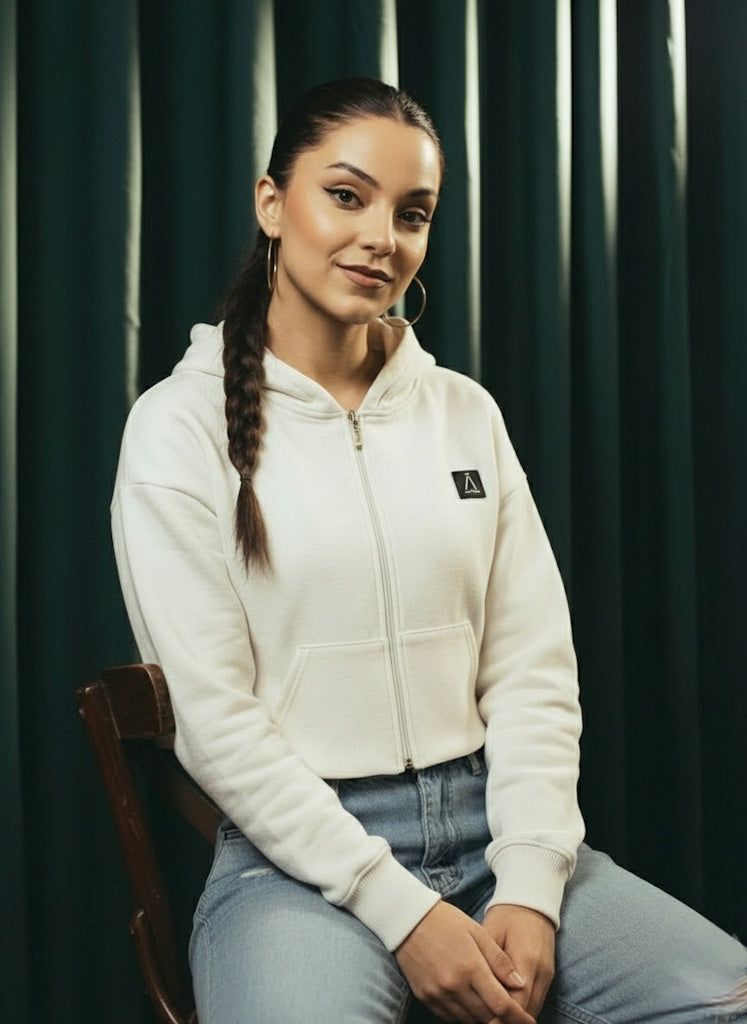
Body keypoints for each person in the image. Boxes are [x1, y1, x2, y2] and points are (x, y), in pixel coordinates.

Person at [111, 77, 747, 1024]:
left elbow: (532, 671)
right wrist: (401, 911)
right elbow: (215, 724)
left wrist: (529, 884)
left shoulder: (463, 413)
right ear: (271, 203)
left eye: (412, 214)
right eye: (346, 195)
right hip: (293, 867)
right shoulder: (176, 429)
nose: (381, 237)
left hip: (495, 833)